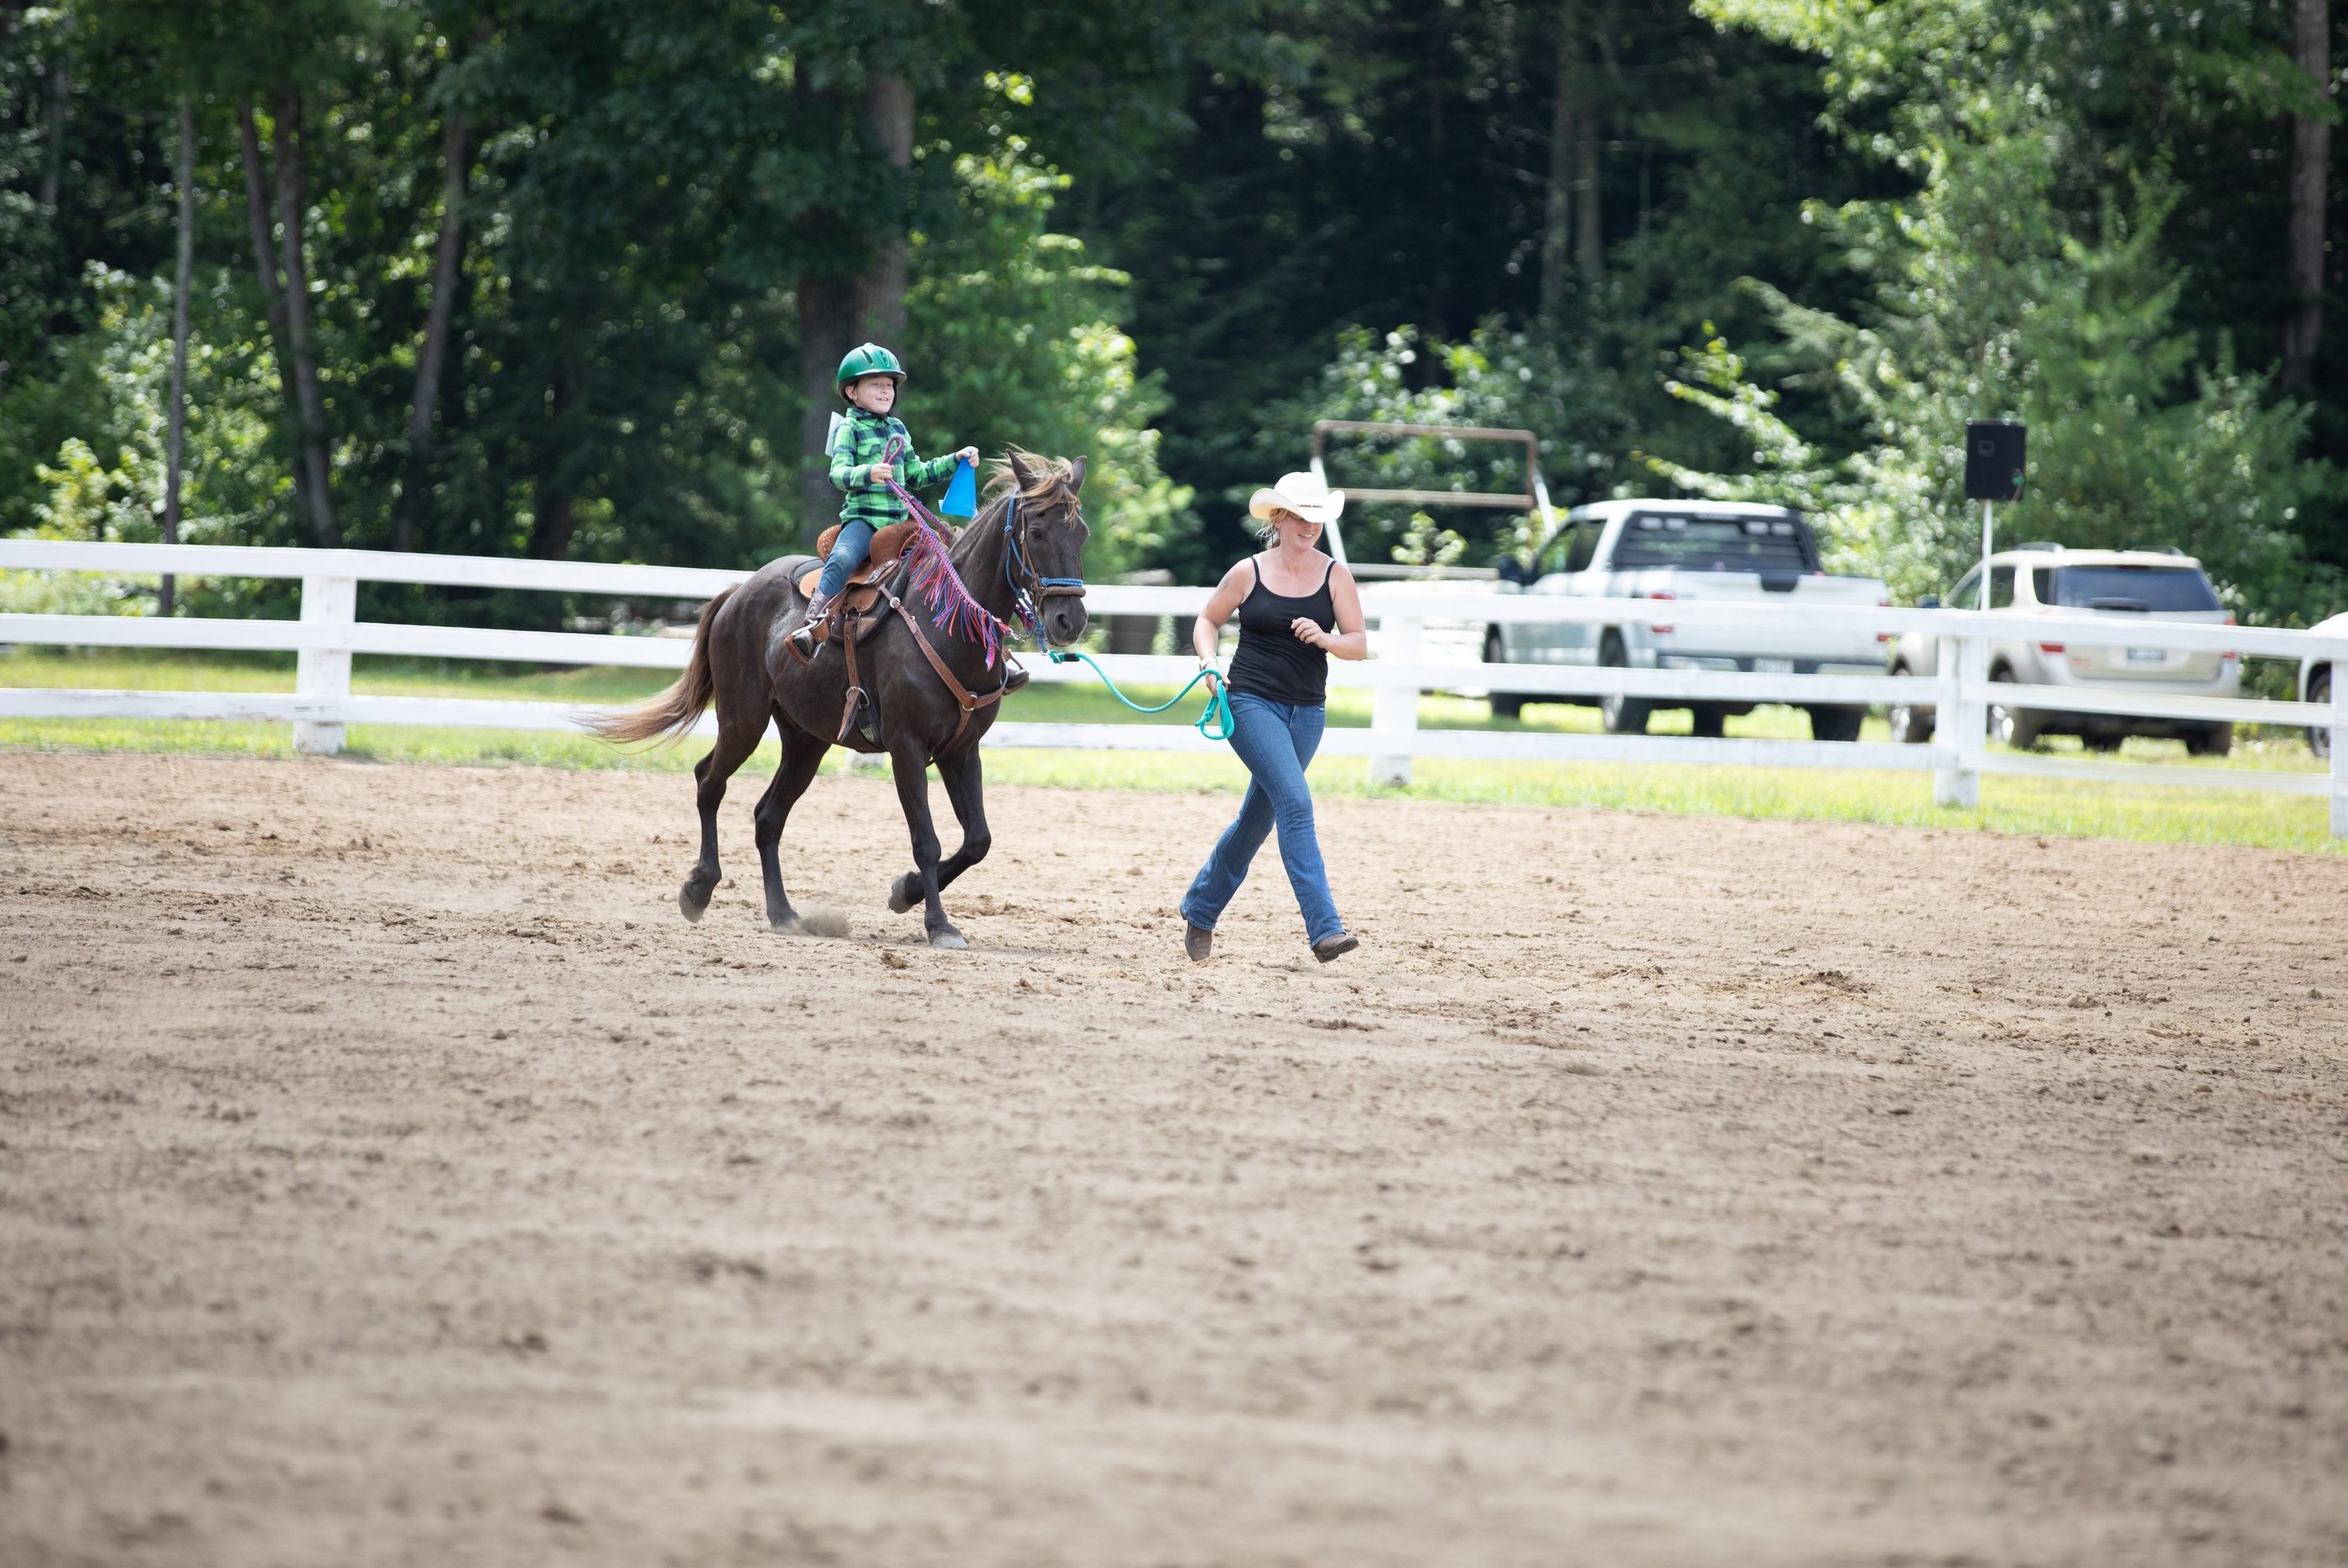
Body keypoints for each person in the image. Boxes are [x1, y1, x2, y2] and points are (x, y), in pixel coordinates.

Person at [1180, 470, 1369, 963]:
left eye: (1317, 519)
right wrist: (1209, 664)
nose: (1310, 527)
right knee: (1296, 802)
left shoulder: (1335, 575)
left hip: (1307, 712)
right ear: (1280, 518)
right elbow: (1208, 620)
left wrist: (1327, 639)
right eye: (1302, 517)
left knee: (1257, 819)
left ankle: (1201, 909)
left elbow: (1358, 645)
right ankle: (1326, 929)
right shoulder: (1249, 572)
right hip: (1249, 702)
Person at [792, 343, 977, 652]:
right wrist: (869, 473)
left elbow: (918, 474)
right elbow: (837, 474)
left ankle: (966, 638)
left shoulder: (898, 428)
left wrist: (955, 459)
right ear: (852, 392)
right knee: (842, 558)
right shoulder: (849, 428)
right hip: (865, 520)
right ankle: (813, 624)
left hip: (900, 524)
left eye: (889, 385)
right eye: (875, 384)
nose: (885, 391)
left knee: (950, 558)